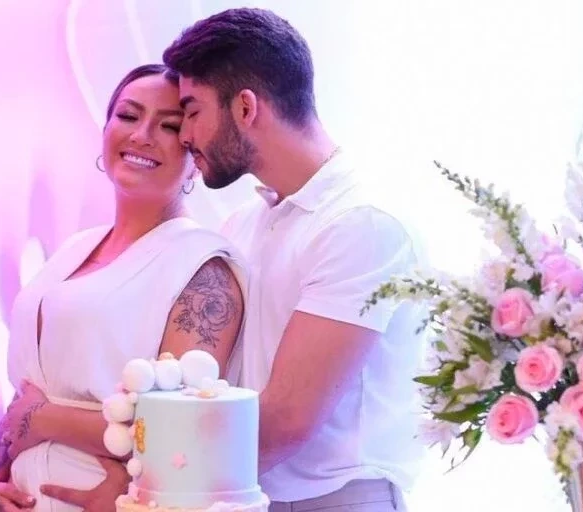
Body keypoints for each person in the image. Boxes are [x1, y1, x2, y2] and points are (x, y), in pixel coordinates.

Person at [162, 8, 426, 512]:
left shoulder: (360, 223)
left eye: (192, 112)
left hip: (340, 499)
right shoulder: (244, 223)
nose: (184, 135)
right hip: (249, 493)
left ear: (245, 107)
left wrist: (154, 489)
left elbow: (286, 420)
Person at [0, 63, 247, 512]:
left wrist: (41, 419)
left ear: (195, 154)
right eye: (128, 116)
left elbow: (184, 430)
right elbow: (25, 394)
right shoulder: (75, 248)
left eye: (169, 126)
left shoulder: (202, 268)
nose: (141, 135)